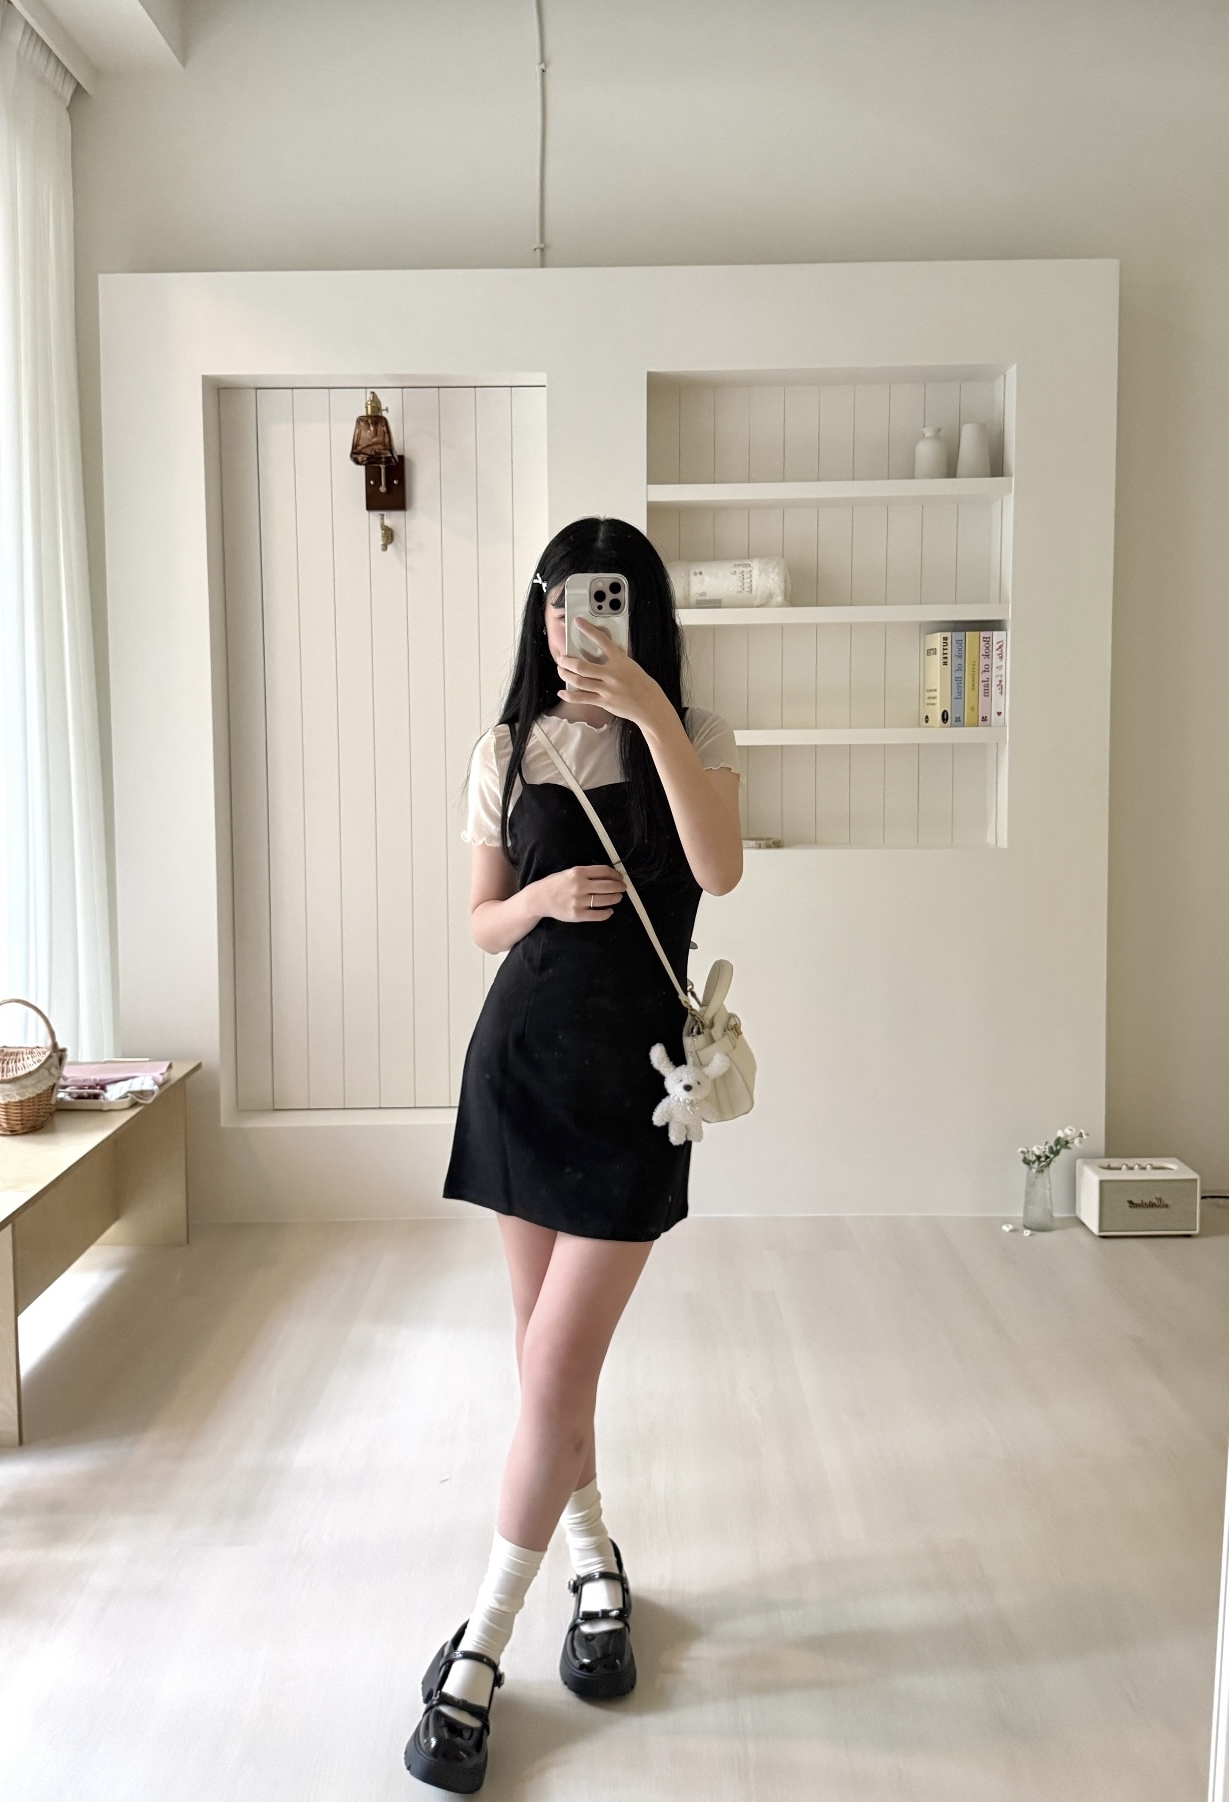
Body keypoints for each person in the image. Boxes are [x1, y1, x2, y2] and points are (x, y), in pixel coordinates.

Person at [403, 517, 743, 1793]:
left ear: (639, 611)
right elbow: (481, 920)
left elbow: (719, 868)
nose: (573, 621)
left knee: (551, 1372)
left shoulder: (692, 737)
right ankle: (594, 1567)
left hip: (635, 1094)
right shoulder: (505, 746)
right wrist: (538, 899)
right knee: (547, 1367)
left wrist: (646, 708)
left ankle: (478, 1647)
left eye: (601, 600)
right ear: (539, 610)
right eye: (558, 599)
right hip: (519, 1074)